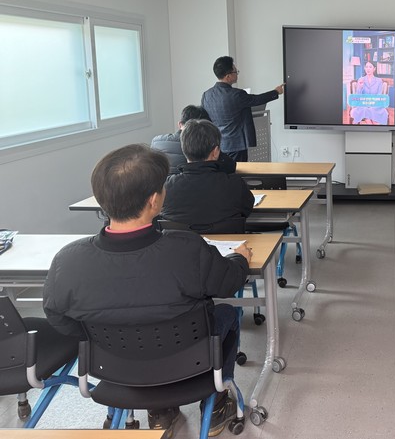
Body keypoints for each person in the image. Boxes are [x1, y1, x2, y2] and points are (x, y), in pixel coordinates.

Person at [42, 144, 252, 436]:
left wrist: (96, 338)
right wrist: (241, 259)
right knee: (228, 313)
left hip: (116, 366)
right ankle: (216, 403)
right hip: (189, 360)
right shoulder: (186, 248)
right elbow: (229, 283)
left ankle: (161, 411)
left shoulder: (68, 260)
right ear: (154, 200)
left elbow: (56, 315)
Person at [161, 119, 254, 228]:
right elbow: (247, 211)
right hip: (228, 238)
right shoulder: (235, 185)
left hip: (179, 239)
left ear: (183, 149)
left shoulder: (166, 187)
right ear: (215, 152)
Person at [201, 55, 285, 162]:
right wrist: (276, 92)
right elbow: (257, 100)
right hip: (237, 145)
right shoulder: (237, 94)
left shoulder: (206, 95)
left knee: (222, 171)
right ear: (228, 76)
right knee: (238, 171)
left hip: (218, 146)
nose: (237, 74)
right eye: (235, 72)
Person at [151, 104, 236, 173]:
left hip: (163, 187)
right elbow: (230, 166)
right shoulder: (202, 144)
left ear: (180, 124)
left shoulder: (156, 141)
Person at [350, 61, 388, 125]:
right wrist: (360, 87)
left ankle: (373, 123)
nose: (368, 69)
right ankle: (370, 124)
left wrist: (372, 104)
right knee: (365, 110)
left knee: (374, 114)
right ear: (364, 68)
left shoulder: (379, 81)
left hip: (375, 104)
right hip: (363, 104)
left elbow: (379, 96)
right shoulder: (361, 79)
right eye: (366, 67)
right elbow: (358, 96)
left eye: (370, 67)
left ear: (374, 69)